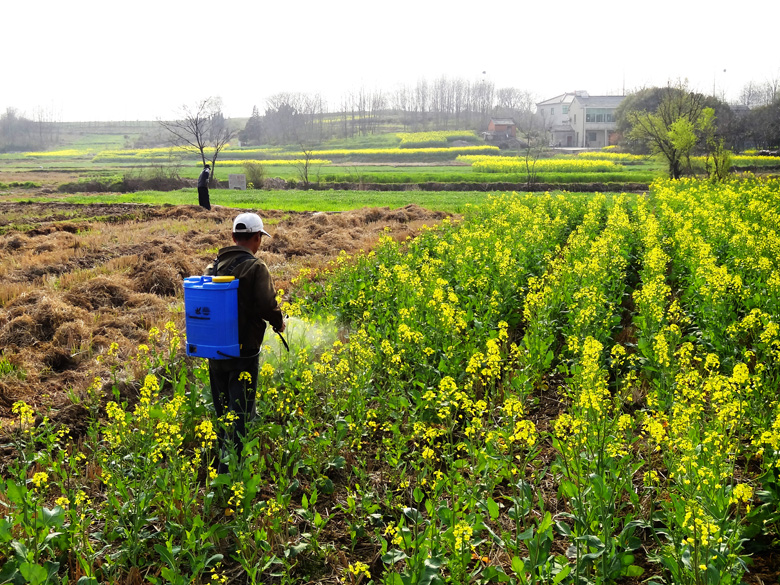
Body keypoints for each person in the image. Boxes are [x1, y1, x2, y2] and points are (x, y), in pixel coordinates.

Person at [205, 212, 285, 473]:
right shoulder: (255, 267)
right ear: (256, 238)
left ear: (232, 237)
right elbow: (266, 304)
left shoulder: (213, 266)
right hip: (243, 351)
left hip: (214, 349)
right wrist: (279, 322)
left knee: (223, 409)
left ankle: (220, 457)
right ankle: (233, 469)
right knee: (241, 409)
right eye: (260, 238)